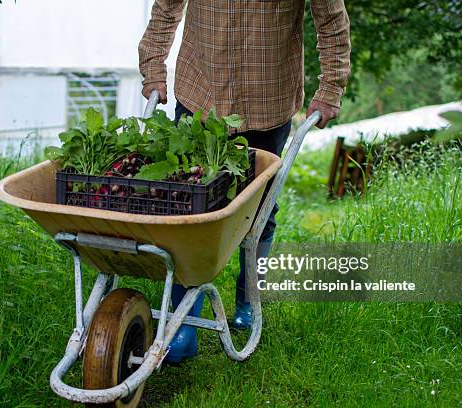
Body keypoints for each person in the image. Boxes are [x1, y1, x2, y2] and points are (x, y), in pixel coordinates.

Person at [139, 0, 351, 363]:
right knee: (187, 206)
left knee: (260, 210)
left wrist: (331, 89)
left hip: (267, 103)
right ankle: (185, 319)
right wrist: (153, 68)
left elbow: (331, 19)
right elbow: (165, 8)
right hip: (200, 95)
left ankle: (249, 299)